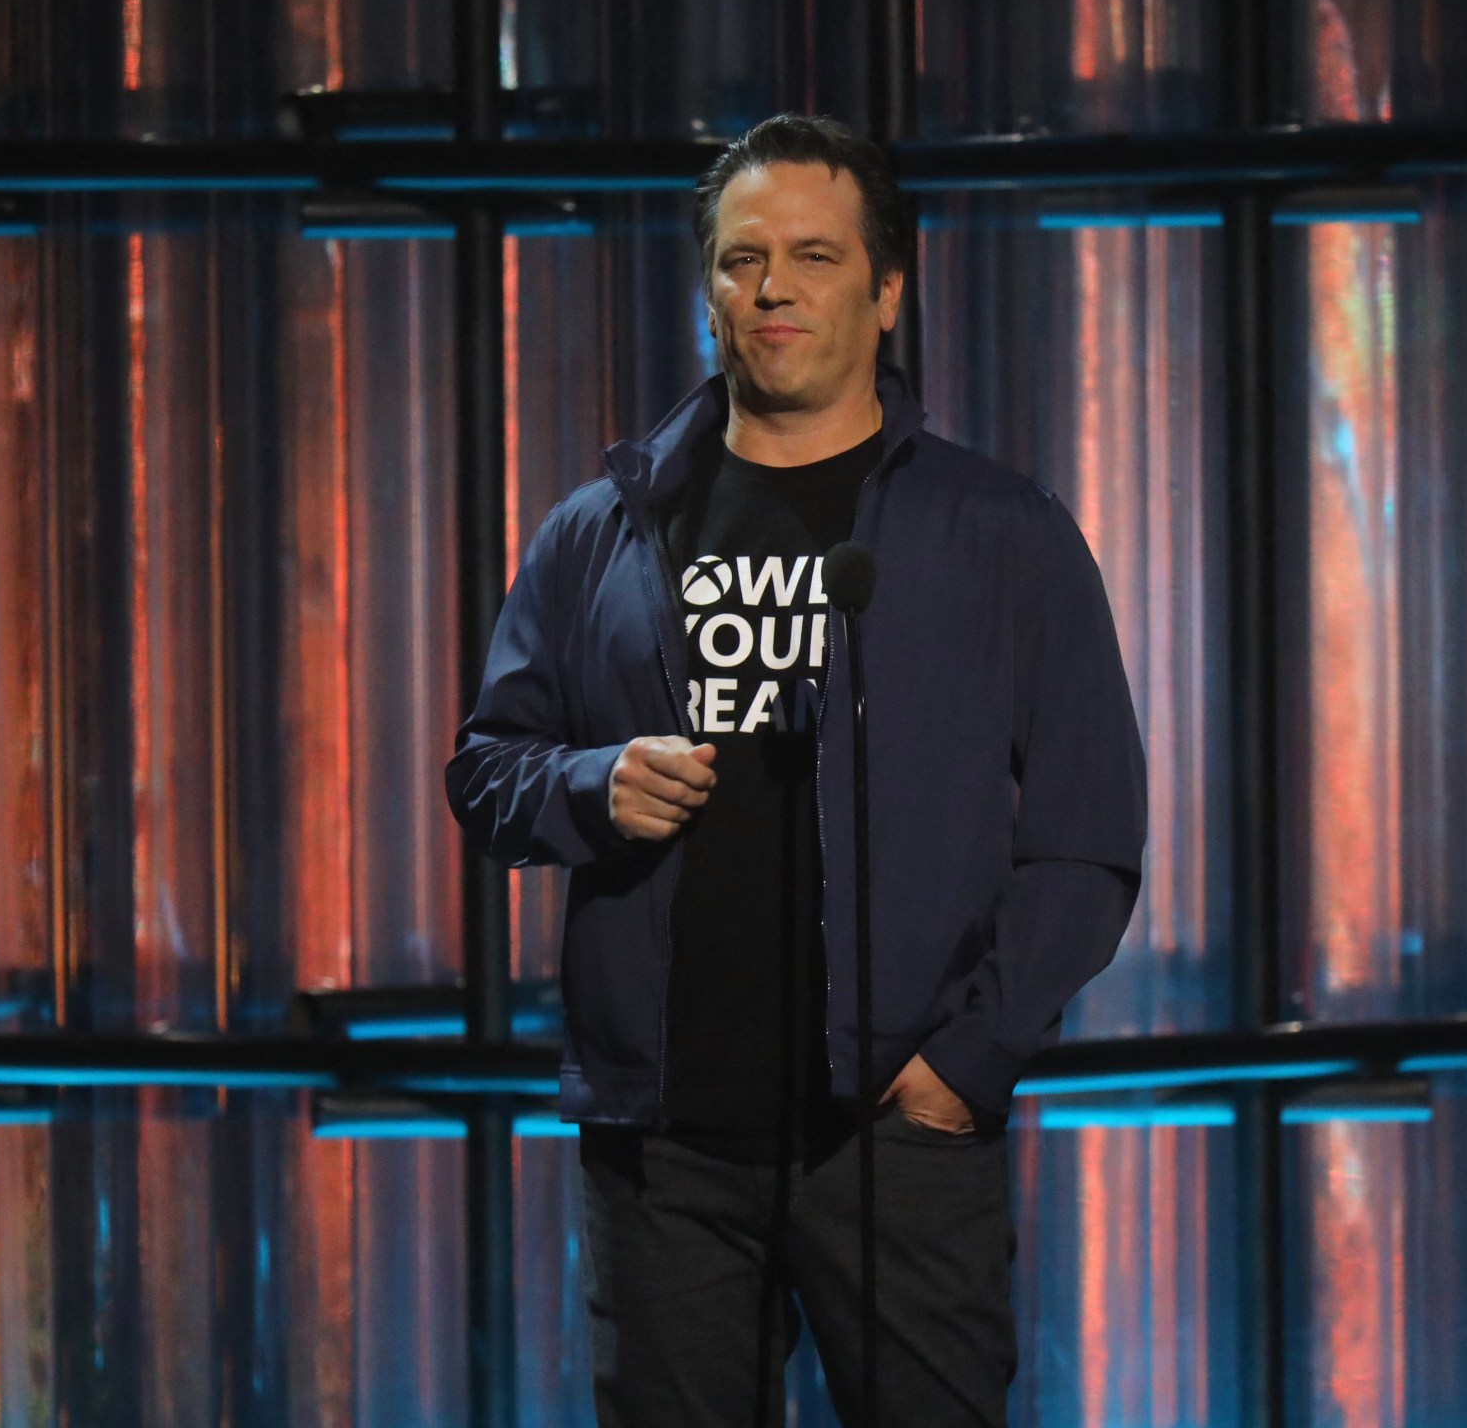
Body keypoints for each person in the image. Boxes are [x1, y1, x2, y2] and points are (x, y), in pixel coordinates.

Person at [446, 113, 1145, 1428]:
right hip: (663, 1149)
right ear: (709, 288)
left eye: (815, 257)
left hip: (896, 1138)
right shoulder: (601, 530)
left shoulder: (1002, 531)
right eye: (743, 259)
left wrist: (965, 1065)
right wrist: (592, 785)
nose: (774, 288)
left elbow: (1088, 839)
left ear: (886, 290)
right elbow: (488, 771)